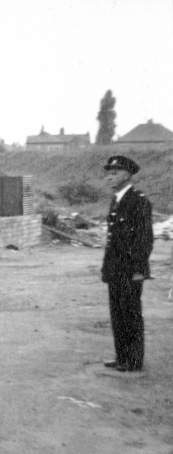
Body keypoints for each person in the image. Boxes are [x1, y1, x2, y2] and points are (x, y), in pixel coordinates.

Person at [101, 155, 152, 373]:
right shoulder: (117, 200)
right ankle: (122, 356)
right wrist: (107, 268)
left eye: (114, 173)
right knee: (117, 313)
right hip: (116, 268)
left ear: (127, 175)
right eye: (108, 173)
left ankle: (133, 360)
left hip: (130, 270)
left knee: (130, 313)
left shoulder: (138, 200)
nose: (109, 177)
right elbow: (113, 239)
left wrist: (139, 269)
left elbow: (144, 238)